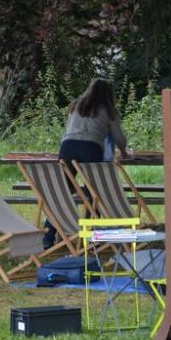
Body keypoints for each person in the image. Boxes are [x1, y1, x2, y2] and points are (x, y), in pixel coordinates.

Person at [45, 78, 128, 248]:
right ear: (109, 94)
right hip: (91, 148)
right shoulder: (109, 111)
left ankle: (48, 237)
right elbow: (119, 138)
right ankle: (91, 235)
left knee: (61, 193)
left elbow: (68, 129)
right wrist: (124, 152)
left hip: (68, 147)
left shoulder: (77, 105)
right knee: (94, 192)